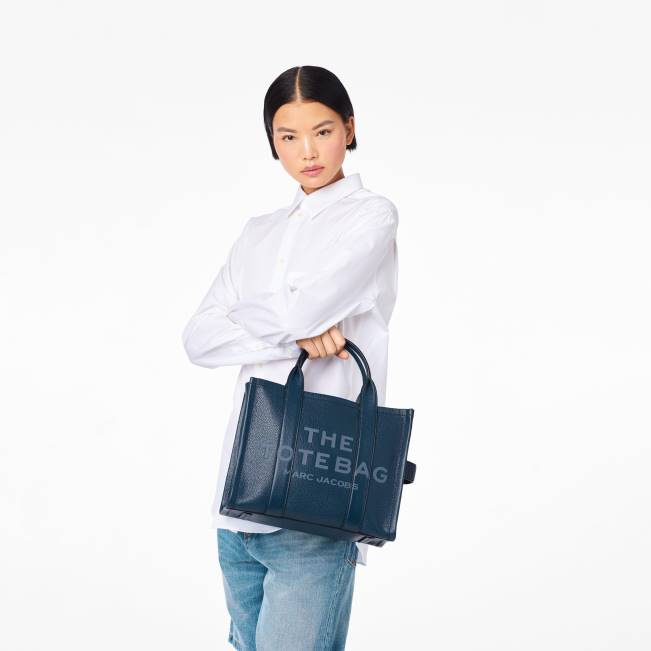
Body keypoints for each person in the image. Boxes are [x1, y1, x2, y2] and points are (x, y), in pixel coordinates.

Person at [181, 65, 401, 650]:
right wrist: (292, 336)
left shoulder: (372, 216)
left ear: (349, 128)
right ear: (272, 142)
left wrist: (262, 317)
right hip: (238, 500)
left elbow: (303, 311)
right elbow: (199, 338)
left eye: (323, 131)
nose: (307, 151)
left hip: (315, 504)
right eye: (288, 136)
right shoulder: (258, 232)